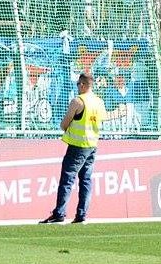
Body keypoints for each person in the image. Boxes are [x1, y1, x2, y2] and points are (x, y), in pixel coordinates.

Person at [39, 72, 113, 225]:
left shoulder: (78, 101)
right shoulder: (99, 101)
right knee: (85, 180)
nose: (77, 86)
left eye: (79, 84)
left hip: (78, 146)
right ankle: (81, 214)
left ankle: (59, 212)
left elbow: (64, 123)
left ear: (83, 84)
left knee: (67, 179)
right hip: (92, 145)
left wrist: (69, 129)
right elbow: (101, 120)